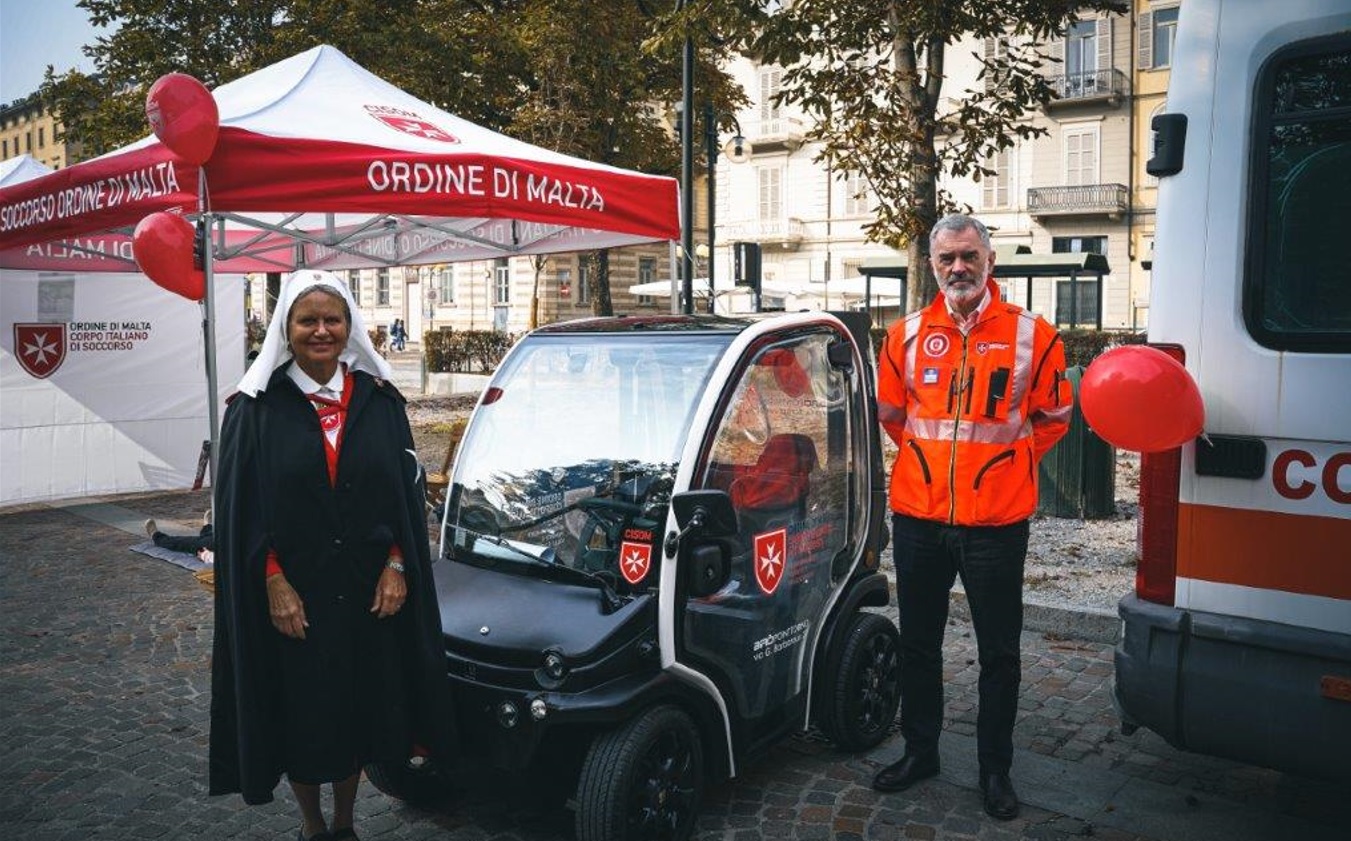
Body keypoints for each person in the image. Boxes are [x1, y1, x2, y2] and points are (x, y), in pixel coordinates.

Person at [209, 270, 454, 841]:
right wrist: (272, 581)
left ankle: (345, 824)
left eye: (332, 319)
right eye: (307, 320)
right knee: (305, 714)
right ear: (286, 330)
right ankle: (313, 826)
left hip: (368, 592)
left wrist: (399, 564)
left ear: (350, 327)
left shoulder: (380, 402)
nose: (321, 330)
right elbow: (242, 510)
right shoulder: (256, 409)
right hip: (297, 597)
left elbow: (403, 494)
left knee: (356, 710)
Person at [871, 214, 1071, 820]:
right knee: (919, 646)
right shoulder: (905, 334)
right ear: (932, 265)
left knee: (999, 654)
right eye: (946, 259)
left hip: (996, 526)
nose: (958, 268)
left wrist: (1004, 465)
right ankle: (921, 751)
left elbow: (1054, 418)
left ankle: (994, 771)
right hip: (919, 518)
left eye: (968, 257)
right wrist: (934, 467)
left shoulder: (1034, 335)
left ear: (990, 263)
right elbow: (891, 414)